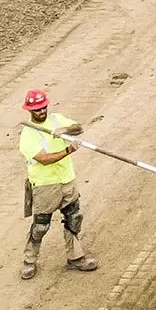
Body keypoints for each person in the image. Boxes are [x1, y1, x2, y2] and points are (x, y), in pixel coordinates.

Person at [18, 90, 97, 280]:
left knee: (74, 218)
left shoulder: (56, 120)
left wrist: (65, 131)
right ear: (30, 110)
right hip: (45, 185)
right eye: (37, 109)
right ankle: (29, 261)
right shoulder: (28, 135)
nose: (42, 111)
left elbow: (78, 128)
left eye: (43, 107)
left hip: (67, 179)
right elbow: (44, 160)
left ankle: (75, 258)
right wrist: (68, 149)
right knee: (40, 226)